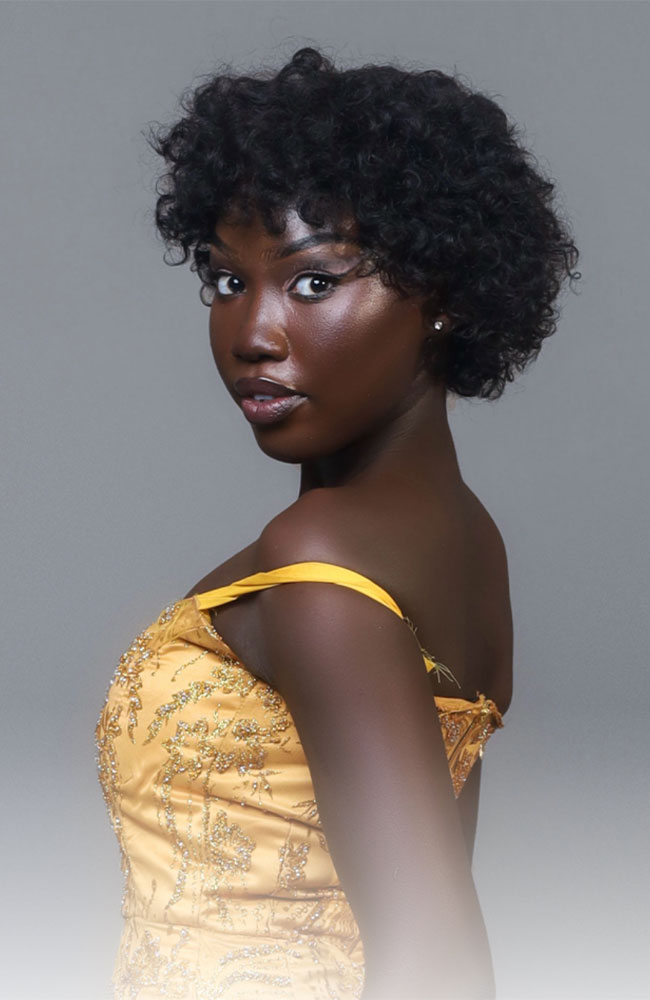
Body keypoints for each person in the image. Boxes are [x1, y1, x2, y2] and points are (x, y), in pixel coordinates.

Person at [95, 46, 579, 1000]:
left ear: (444, 294)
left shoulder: (321, 560)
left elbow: (436, 962)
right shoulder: (466, 540)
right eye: (227, 281)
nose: (252, 335)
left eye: (313, 281)